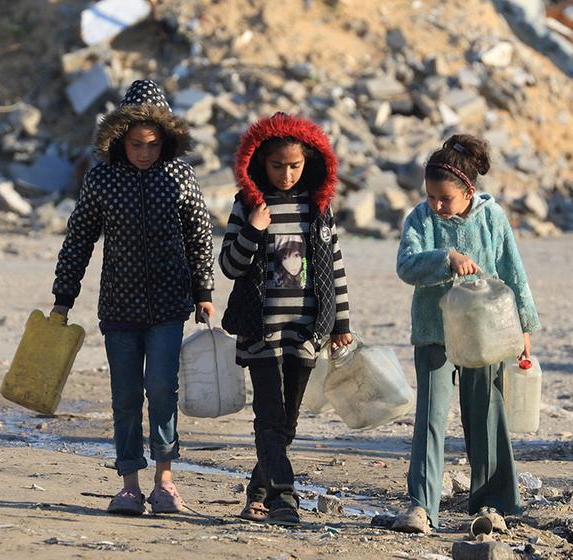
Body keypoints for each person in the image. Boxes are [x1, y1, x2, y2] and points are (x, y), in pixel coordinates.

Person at [51, 80, 215, 516]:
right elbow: (79, 238)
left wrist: (204, 291)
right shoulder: (102, 178)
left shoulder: (179, 175)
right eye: (136, 144)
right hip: (119, 307)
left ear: (166, 140)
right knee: (125, 396)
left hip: (168, 304)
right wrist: (63, 297)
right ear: (119, 139)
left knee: (162, 388)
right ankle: (128, 484)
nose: (144, 152)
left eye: (153, 144)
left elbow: (200, 234)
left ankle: (165, 482)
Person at [391, 134, 540, 534]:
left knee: (486, 417)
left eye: (446, 199)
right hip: (434, 333)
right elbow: (406, 265)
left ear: (468, 190)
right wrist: (445, 259)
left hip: (485, 336)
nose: (438, 206)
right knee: (430, 420)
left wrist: (525, 327)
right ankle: (422, 507)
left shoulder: (492, 218)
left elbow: (514, 272)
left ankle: (492, 505)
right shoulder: (421, 219)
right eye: (432, 197)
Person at [219, 113, 353, 526]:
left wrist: (341, 324)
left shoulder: (317, 208)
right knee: (270, 415)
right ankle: (283, 496)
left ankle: (257, 491)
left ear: (309, 163)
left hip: (305, 331)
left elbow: (334, 267)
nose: (287, 174)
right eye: (278, 166)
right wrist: (254, 230)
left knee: (287, 420)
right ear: (260, 162)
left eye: (294, 166)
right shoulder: (248, 206)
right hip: (260, 330)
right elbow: (229, 265)